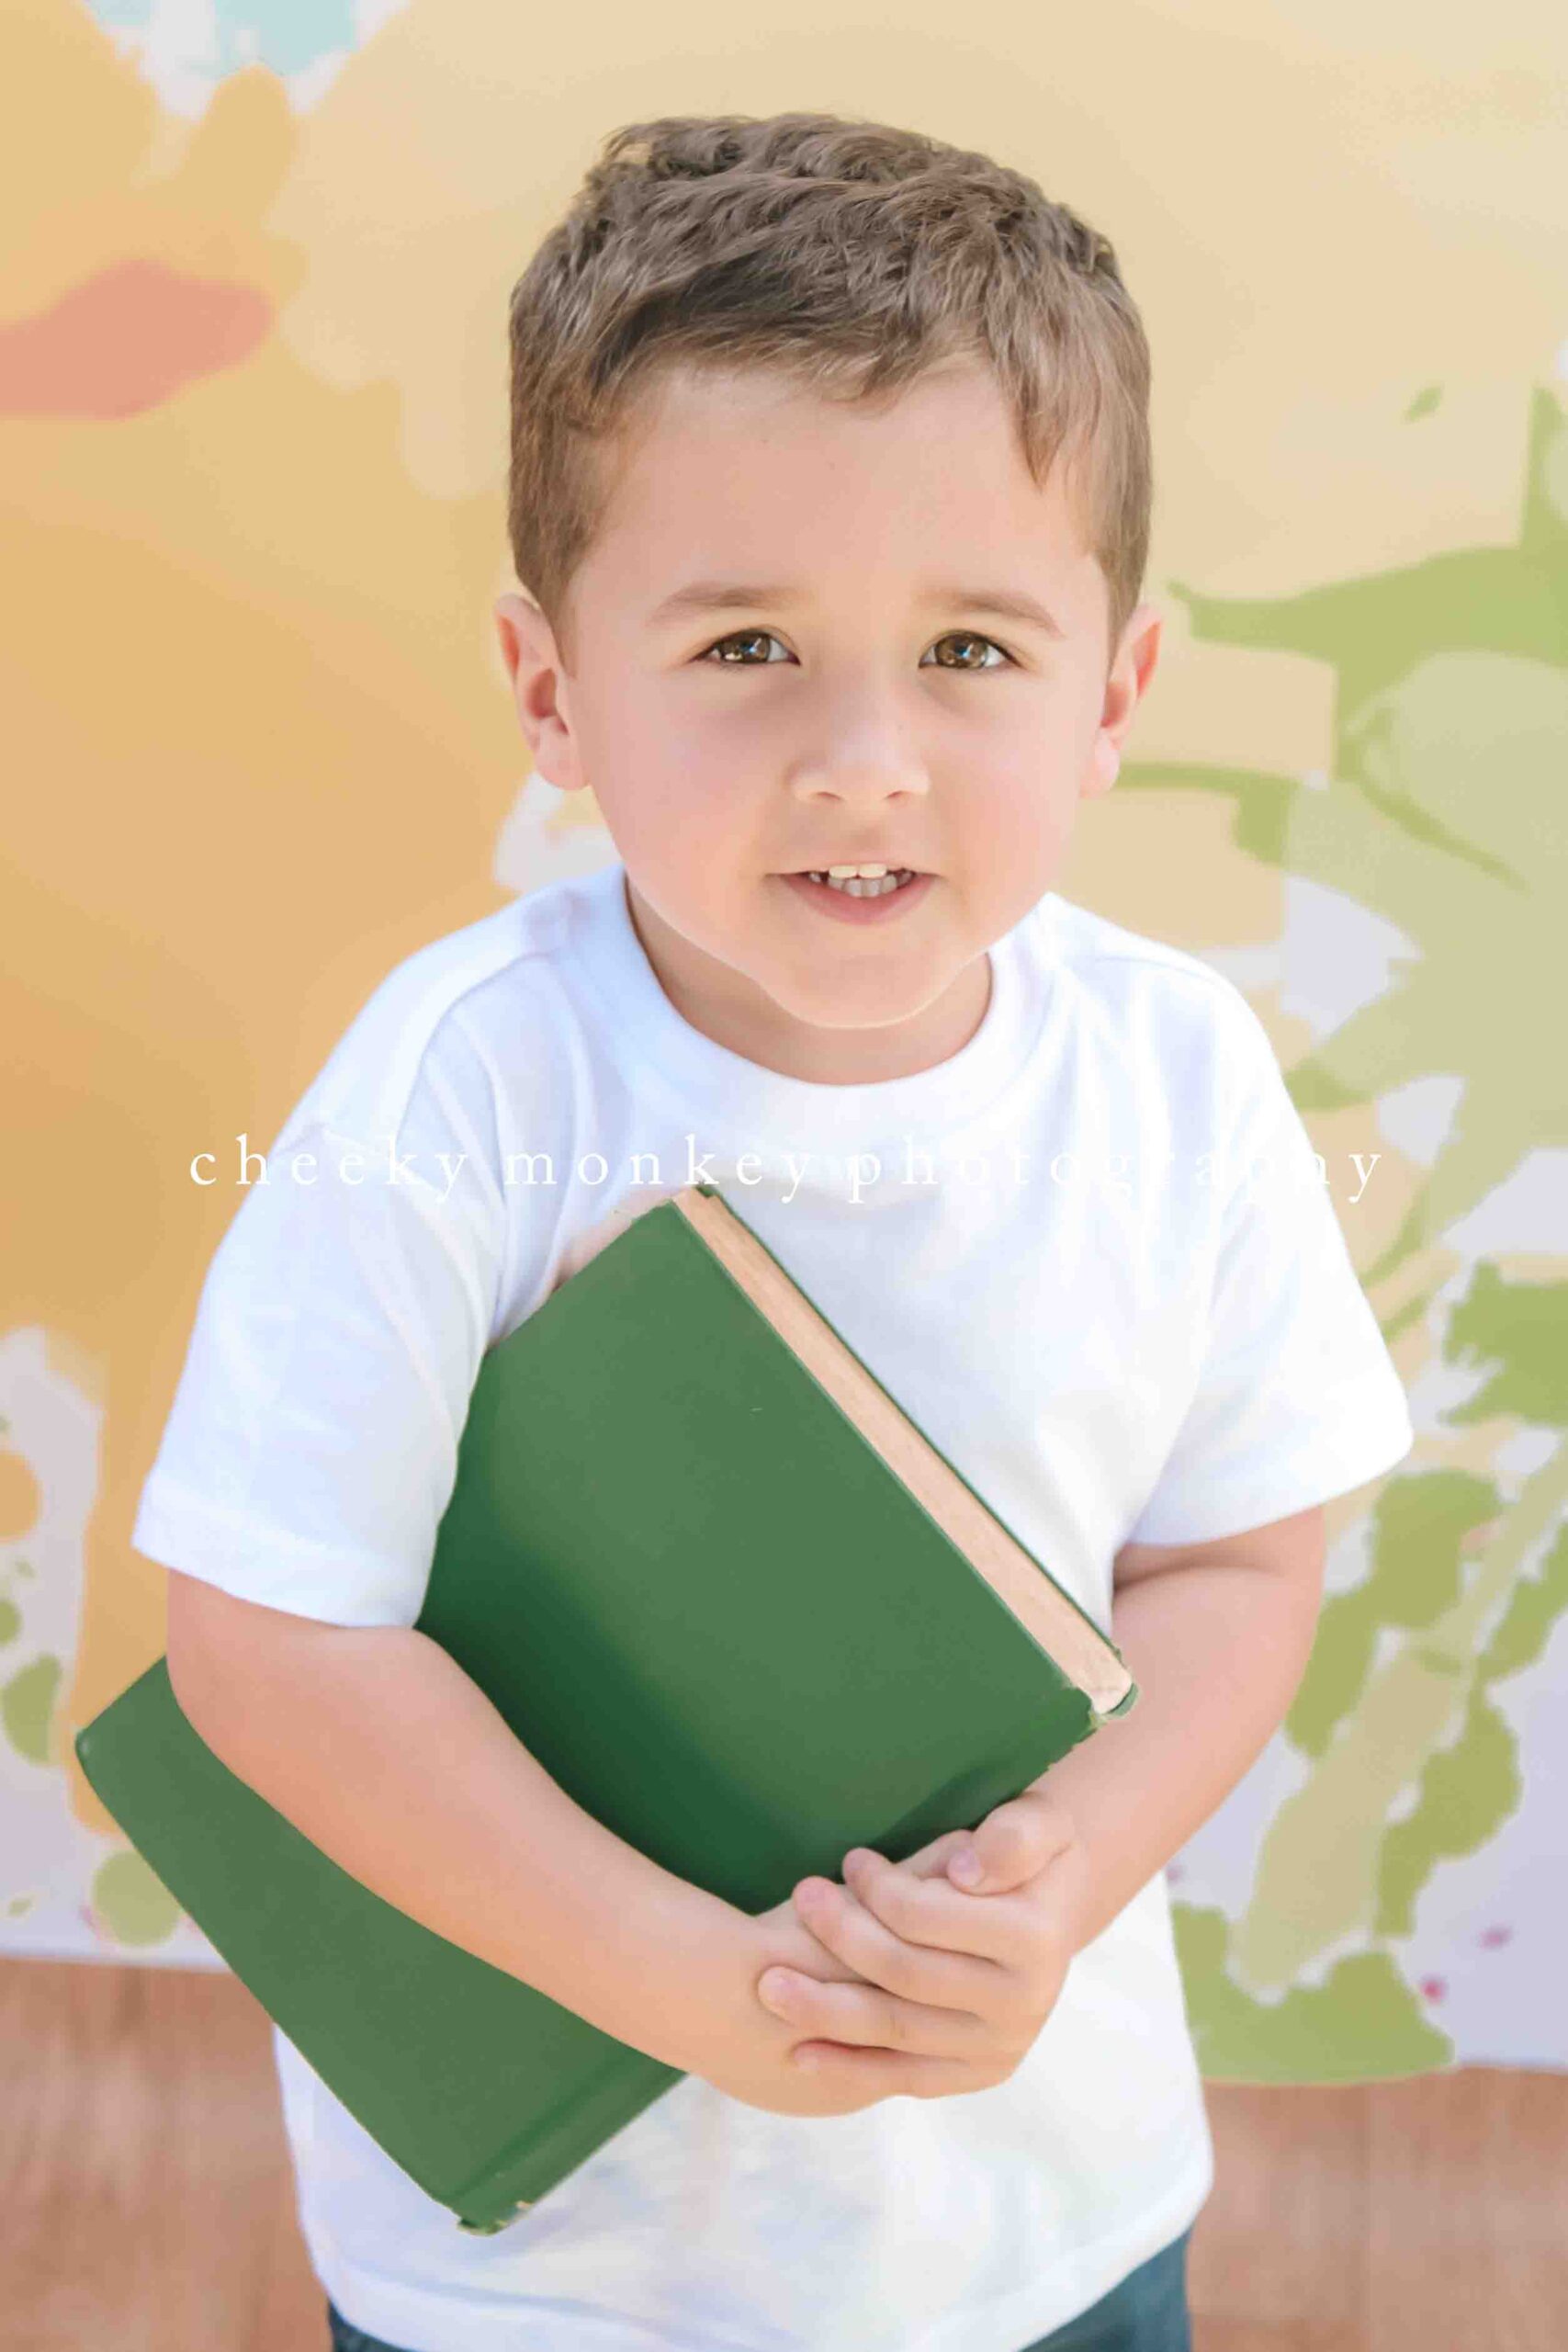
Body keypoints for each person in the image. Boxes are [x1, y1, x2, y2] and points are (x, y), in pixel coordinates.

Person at [139, 110, 1414, 2352]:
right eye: (744, 643)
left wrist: (1061, 1874)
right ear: (552, 688)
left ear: (1114, 693)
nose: (861, 758)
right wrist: (683, 1981)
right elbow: (270, 1637)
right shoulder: (464, 1092)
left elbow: (1234, 1560)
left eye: (969, 650)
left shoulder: (1172, 1073)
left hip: (1037, 2217)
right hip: (548, 2279)